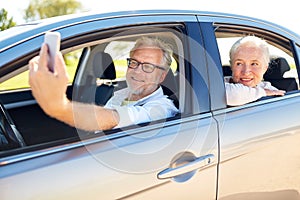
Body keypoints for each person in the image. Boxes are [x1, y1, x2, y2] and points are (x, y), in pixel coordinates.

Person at [29, 36, 179, 131]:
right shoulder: (120, 95)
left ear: (161, 76)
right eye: (134, 62)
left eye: (148, 66)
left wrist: (59, 106)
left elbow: (114, 118)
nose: (137, 71)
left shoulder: (162, 109)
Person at [225, 35, 286, 106]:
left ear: (265, 68)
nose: (246, 72)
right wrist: (263, 93)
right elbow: (232, 95)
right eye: (239, 64)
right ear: (231, 66)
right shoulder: (218, 85)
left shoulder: (269, 89)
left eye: (254, 64)